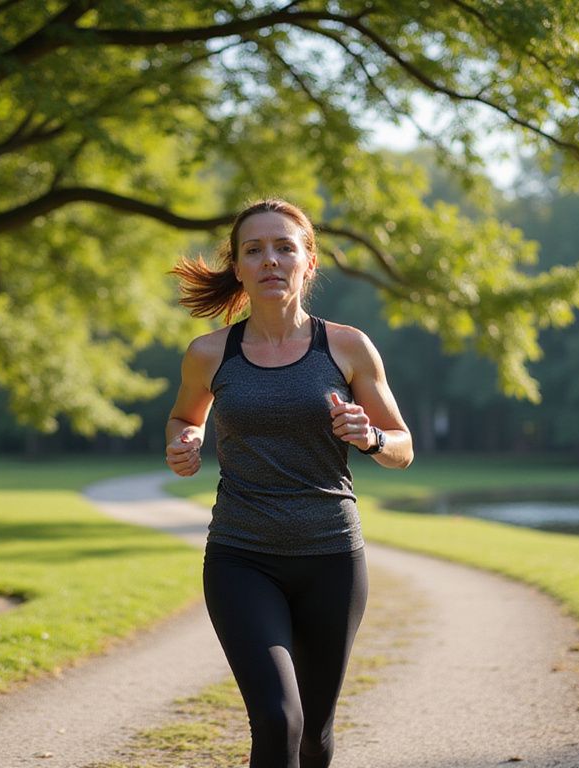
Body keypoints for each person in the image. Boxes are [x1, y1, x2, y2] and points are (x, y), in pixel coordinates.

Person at [164, 198, 413, 768]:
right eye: (254, 250)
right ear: (238, 266)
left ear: (308, 262)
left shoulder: (347, 347)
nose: (270, 260)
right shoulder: (209, 354)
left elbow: (403, 447)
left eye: (284, 247)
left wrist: (370, 437)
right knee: (279, 720)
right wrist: (185, 442)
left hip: (331, 557)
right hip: (241, 557)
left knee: (315, 734)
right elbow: (184, 418)